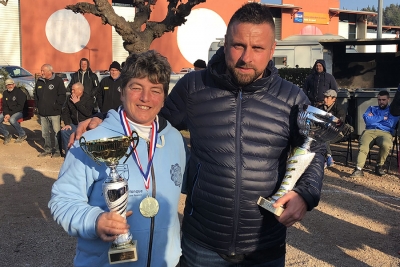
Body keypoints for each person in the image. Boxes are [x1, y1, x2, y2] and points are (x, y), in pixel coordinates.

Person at [72, 3, 325, 266]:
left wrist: (305, 194)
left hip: (264, 244)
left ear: (272, 49)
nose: (246, 57)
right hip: (203, 246)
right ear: (226, 44)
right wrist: (106, 119)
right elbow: (149, 117)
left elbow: (316, 147)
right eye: (238, 45)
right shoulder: (195, 87)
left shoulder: (292, 98)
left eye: (258, 48)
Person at [48, 50, 187, 267]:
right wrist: (95, 221)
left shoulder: (175, 139)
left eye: (155, 90)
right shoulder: (92, 140)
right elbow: (62, 200)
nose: (145, 98)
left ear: (164, 97)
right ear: (122, 91)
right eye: (136, 87)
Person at [351, 90, 399, 178]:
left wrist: (374, 119)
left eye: (383, 100)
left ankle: (379, 166)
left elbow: (391, 123)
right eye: (379, 100)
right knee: (363, 146)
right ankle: (358, 169)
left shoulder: (392, 110)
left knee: (386, 144)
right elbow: (367, 120)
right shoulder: (372, 108)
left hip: (385, 133)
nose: (381, 102)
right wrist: (382, 118)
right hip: (369, 131)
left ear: (388, 99)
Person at [34, 64, 66, 157]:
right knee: (44, 133)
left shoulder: (58, 81)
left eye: (43, 71)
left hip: (54, 112)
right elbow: (36, 95)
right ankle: (47, 149)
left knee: (56, 132)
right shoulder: (39, 81)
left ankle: (57, 151)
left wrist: (56, 106)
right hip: (43, 112)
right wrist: (38, 106)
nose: (41, 73)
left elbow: (62, 95)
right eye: (41, 70)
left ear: (49, 71)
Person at [317, 89, 353, 167]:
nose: (325, 99)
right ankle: (327, 157)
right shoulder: (320, 107)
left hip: (337, 132)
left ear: (334, 99)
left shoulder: (340, 109)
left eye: (327, 97)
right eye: (324, 97)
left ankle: (327, 158)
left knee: (322, 137)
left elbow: (339, 123)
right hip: (323, 131)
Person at [61, 82, 93, 156]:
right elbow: (65, 112)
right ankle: (68, 154)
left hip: (85, 125)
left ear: (80, 90)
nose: (72, 92)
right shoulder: (69, 98)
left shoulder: (88, 99)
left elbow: (88, 113)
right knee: (64, 131)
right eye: (71, 90)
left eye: (73, 90)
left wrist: (77, 103)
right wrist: (67, 124)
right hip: (74, 124)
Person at [0, 78, 27, 144]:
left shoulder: (19, 92)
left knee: (12, 120)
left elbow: (20, 106)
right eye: (7, 85)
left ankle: (22, 134)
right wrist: (6, 114)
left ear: (14, 84)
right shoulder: (5, 93)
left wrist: (9, 114)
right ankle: (7, 135)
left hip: (20, 111)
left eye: (10, 84)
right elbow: (5, 105)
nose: (9, 86)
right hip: (8, 112)